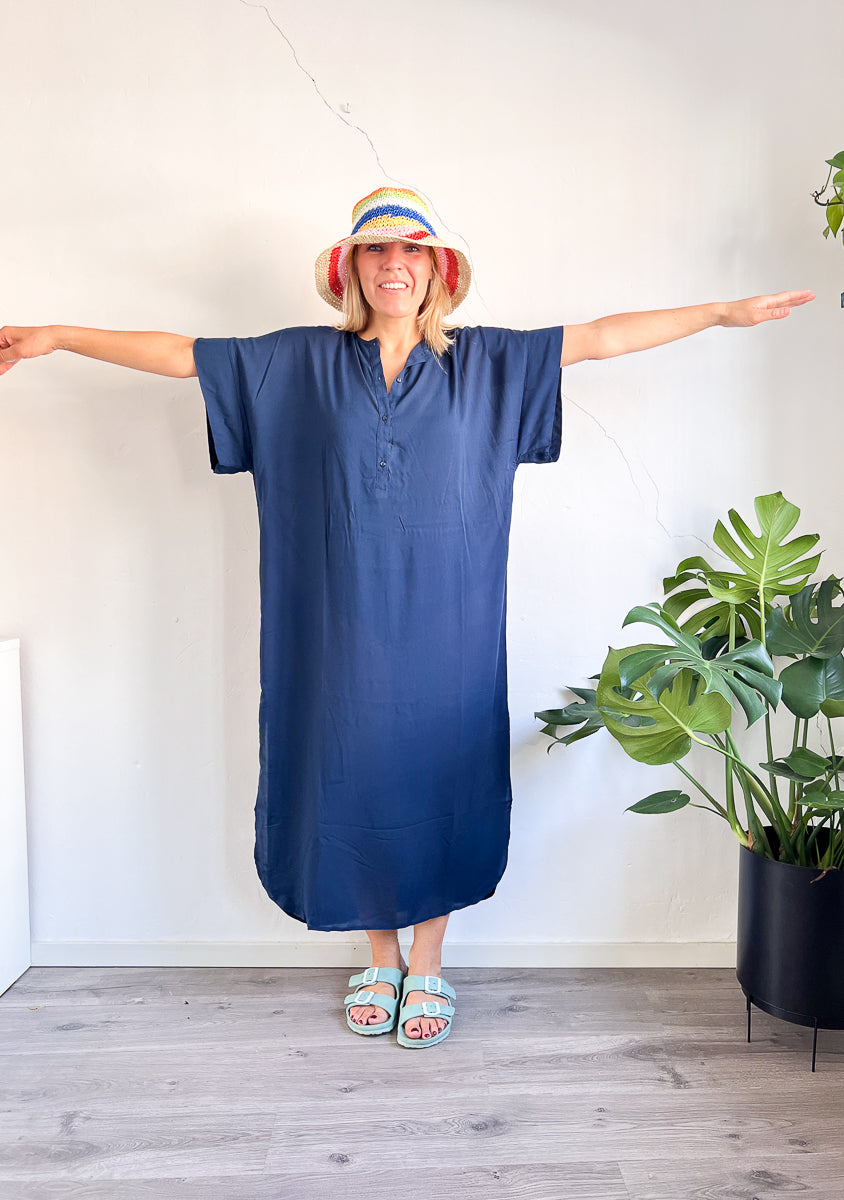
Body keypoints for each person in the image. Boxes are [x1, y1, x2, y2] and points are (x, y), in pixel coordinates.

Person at [0, 186, 814, 1049]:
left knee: (439, 777)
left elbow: (601, 336)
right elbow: (179, 354)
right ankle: (380, 955)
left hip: (449, 628)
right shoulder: (297, 362)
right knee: (347, 770)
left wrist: (722, 312)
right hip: (332, 630)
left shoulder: (488, 362)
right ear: (353, 268)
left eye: (411, 250)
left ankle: (428, 959)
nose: (394, 265)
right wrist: (55, 335)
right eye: (376, 250)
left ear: (437, 270)